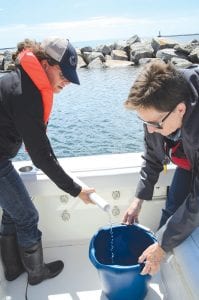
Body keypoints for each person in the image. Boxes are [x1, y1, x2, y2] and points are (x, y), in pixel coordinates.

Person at [0, 37, 95, 285]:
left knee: (13, 212)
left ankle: (12, 269)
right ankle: (36, 273)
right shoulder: (25, 94)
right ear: (44, 64)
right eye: (64, 73)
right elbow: (41, 156)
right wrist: (76, 190)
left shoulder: (20, 82)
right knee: (27, 216)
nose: (67, 81)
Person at [122, 59, 199, 276]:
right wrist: (139, 198)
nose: (149, 130)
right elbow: (153, 157)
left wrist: (164, 245)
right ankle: (157, 265)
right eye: (143, 122)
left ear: (181, 109)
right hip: (188, 160)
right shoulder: (157, 112)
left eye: (154, 124)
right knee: (171, 208)